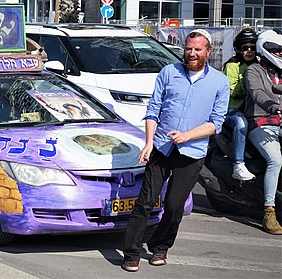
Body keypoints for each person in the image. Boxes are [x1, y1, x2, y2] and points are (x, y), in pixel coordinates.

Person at [121, 29, 229, 272]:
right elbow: (153, 110)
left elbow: (216, 123)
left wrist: (186, 136)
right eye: (189, 48)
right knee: (145, 201)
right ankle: (132, 252)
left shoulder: (219, 82)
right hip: (161, 148)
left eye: (197, 49)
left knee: (173, 205)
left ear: (208, 52)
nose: (191, 53)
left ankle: (160, 247)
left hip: (192, 152)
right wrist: (149, 143)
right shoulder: (169, 73)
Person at [244, 29, 282, 235]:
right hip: (261, 122)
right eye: (277, 50)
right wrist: (273, 106)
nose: (280, 54)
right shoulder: (254, 70)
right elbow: (257, 92)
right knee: (276, 160)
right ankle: (269, 211)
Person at [223, 28, 258, 180]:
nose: (249, 51)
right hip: (232, 109)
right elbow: (233, 90)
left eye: (252, 47)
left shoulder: (261, 64)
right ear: (239, 49)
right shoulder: (232, 65)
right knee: (241, 123)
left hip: (255, 108)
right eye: (245, 48)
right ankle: (238, 164)